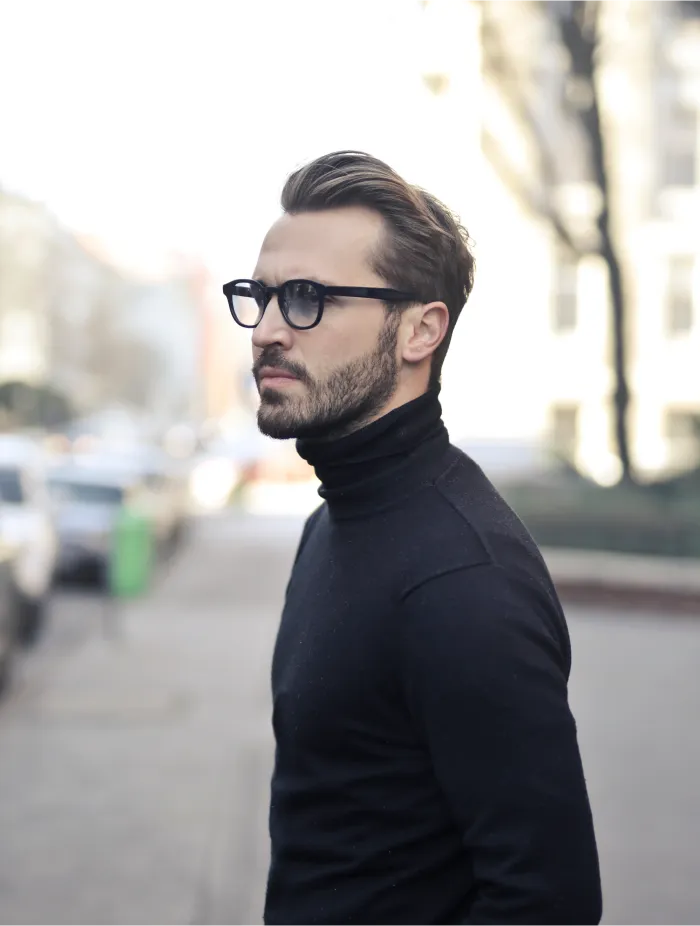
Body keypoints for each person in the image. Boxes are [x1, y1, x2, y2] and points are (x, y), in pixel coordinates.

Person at [223, 151, 602, 926]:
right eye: (259, 297)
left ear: (420, 331)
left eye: (306, 298)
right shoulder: (331, 522)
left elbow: (549, 902)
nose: (265, 331)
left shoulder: (463, 580)